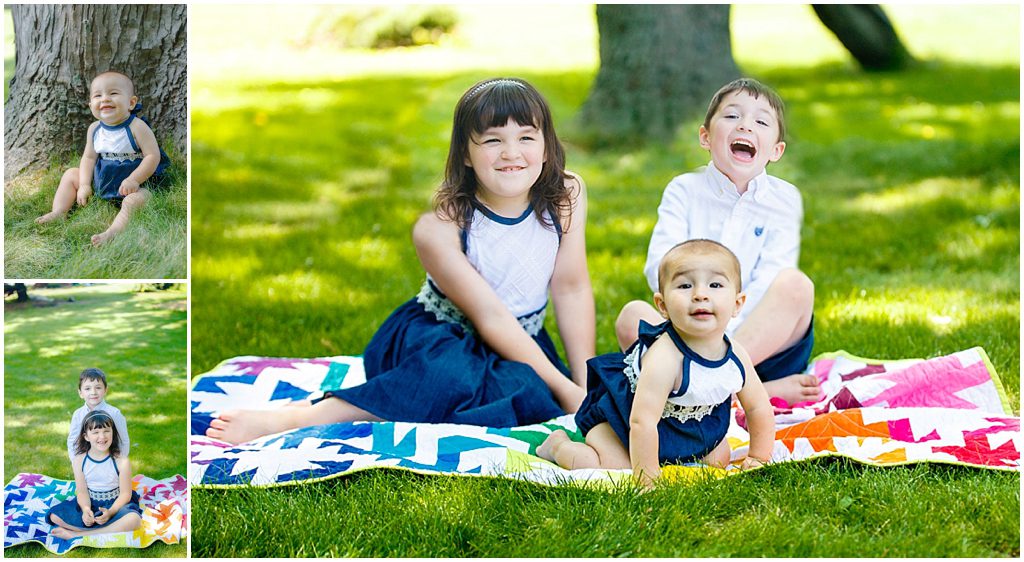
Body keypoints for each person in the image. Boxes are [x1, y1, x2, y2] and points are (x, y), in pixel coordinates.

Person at [207, 77, 594, 444]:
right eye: (493, 140)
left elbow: (571, 287)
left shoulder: (566, 195)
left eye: (526, 137)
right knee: (447, 380)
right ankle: (298, 418)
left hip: (521, 340)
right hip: (439, 339)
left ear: (546, 146)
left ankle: (415, 400)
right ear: (466, 154)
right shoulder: (441, 228)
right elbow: (489, 316)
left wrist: (584, 384)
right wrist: (565, 389)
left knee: (527, 394)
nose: (511, 152)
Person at [616, 78, 819, 406]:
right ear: (705, 137)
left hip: (759, 346)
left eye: (761, 122)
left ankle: (713, 383)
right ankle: (746, 395)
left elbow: (770, 277)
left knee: (796, 286)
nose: (746, 126)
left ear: (776, 150)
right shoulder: (683, 189)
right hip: (688, 332)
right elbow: (662, 264)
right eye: (732, 116)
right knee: (632, 316)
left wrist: (722, 337)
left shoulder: (785, 199)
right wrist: (697, 324)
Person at [538, 240, 775, 487]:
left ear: (737, 304)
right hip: (625, 425)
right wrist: (647, 476)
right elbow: (642, 422)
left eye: (715, 284)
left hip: (691, 428)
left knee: (719, 459)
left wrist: (759, 457)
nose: (700, 294)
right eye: (685, 285)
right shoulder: (666, 357)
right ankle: (558, 445)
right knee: (605, 466)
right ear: (662, 306)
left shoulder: (736, 354)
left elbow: (758, 406)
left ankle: (677, 452)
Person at [35, 70, 171, 246]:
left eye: (113, 93)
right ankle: (59, 212)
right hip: (104, 179)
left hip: (135, 184)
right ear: (91, 105)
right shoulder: (94, 129)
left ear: (131, 103)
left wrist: (134, 180)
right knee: (71, 174)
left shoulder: (137, 127)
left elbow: (153, 156)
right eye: (98, 95)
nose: (105, 99)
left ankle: (112, 232)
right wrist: (84, 184)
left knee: (134, 201)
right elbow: (89, 158)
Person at [47, 410, 142, 539]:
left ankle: (80, 534)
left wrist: (111, 512)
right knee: (54, 516)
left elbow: (126, 493)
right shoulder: (79, 461)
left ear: (113, 433)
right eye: (96, 432)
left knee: (134, 520)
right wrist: (86, 510)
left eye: (106, 431)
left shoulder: (121, 461)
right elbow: (82, 492)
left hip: (116, 505)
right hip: (91, 503)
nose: (102, 437)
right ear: (86, 436)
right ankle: (109, 529)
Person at [67, 368, 130, 461]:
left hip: (110, 460)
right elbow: (73, 441)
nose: (93, 392)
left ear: (105, 390)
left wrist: (119, 463)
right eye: (87, 388)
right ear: (80, 393)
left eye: (98, 387)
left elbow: (123, 440)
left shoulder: (114, 413)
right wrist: (76, 462)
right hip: (86, 461)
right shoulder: (78, 414)